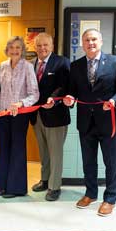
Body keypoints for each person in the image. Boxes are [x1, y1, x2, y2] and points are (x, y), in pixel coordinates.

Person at [63, 28, 116, 216]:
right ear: (82, 44)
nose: (90, 43)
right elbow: (72, 91)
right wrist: (69, 99)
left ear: (101, 41)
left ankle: (110, 198)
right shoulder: (75, 66)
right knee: (88, 162)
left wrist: (114, 101)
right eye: (86, 40)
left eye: (94, 39)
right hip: (86, 123)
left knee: (111, 162)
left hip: (109, 122)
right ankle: (91, 193)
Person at [0, 36, 39, 198]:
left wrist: (21, 103)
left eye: (18, 48)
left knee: (17, 150)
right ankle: (3, 184)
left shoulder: (27, 67)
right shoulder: (2, 66)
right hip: (3, 114)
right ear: (7, 50)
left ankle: (16, 188)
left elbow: (34, 94)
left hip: (19, 115)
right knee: (4, 149)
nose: (14, 50)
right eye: (12, 47)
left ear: (22, 51)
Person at [29, 32, 70, 201]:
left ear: (52, 46)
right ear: (34, 47)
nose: (42, 48)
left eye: (45, 44)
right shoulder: (30, 64)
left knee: (55, 153)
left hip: (56, 116)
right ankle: (45, 180)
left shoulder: (62, 62)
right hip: (36, 115)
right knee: (43, 151)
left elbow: (66, 85)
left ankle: (54, 187)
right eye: (39, 45)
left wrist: (54, 99)